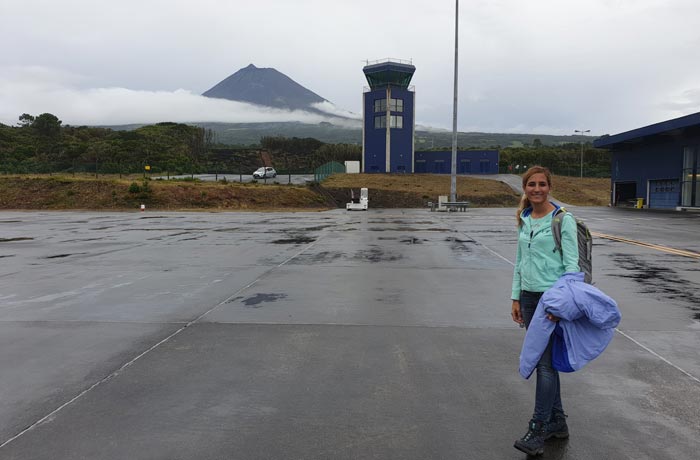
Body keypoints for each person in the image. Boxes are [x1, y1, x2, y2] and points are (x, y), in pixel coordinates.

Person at [510, 166, 580, 456]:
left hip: (551, 300)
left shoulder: (563, 219)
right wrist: (515, 298)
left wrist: (559, 306)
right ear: (524, 189)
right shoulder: (525, 219)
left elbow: (572, 268)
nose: (536, 189)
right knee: (545, 361)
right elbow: (519, 262)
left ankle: (538, 428)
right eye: (531, 184)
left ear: (550, 187)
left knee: (545, 365)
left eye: (542, 184)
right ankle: (557, 423)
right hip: (528, 298)